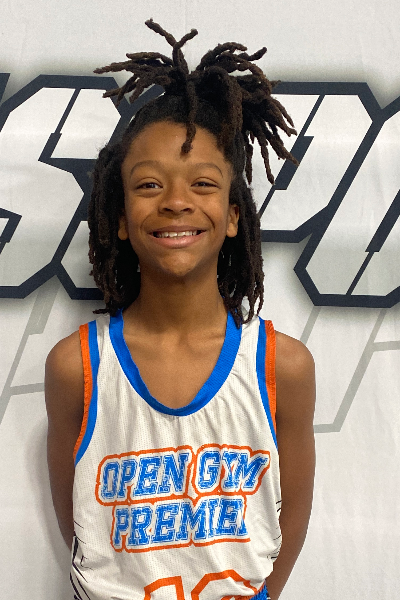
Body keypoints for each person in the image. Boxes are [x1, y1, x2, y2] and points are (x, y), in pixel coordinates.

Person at [45, 19, 315, 600]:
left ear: (234, 215)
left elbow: (289, 520)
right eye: (148, 185)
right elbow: (81, 532)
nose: (175, 202)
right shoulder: (76, 367)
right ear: (119, 218)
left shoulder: (282, 367)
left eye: (203, 184)